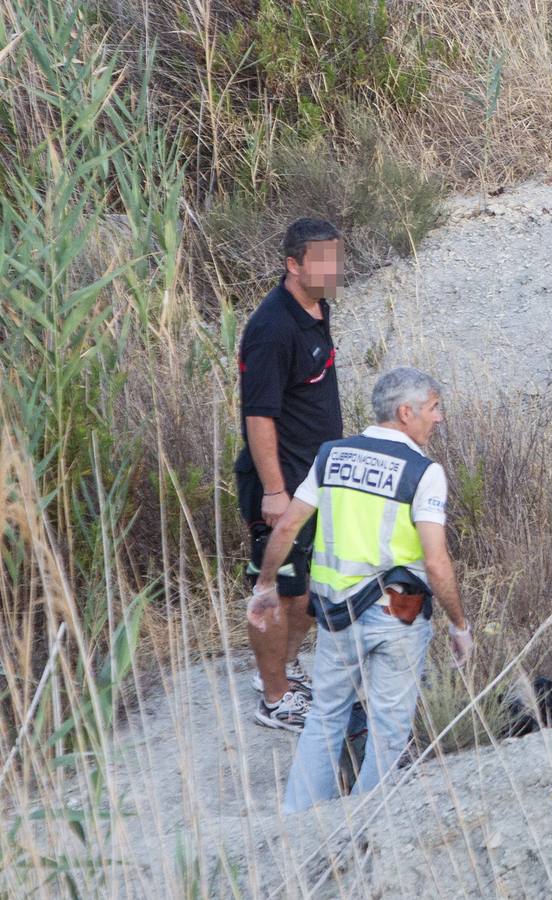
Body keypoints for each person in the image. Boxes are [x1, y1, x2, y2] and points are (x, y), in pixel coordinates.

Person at [247, 367, 474, 813]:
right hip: (398, 615)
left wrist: (266, 583)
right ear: (405, 412)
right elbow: (435, 560)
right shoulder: (423, 472)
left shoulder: (332, 455)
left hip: (335, 617)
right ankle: (372, 822)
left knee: (325, 717)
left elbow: (289, 524)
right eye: (433, 408)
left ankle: (297, 822)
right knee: (389, 728)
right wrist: (459, 623)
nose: (439, 418)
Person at [235, 217, 345, 730]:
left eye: (336, 257)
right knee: (278, 591)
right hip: (282, 486)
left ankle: (278, 670)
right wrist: (275, 491)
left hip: (315, 480)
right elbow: (259, 416)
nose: (333, 268)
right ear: (293, 265)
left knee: (308, 590)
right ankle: (275, 700)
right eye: (321, 260)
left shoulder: (316, 308)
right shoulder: (271, 329)